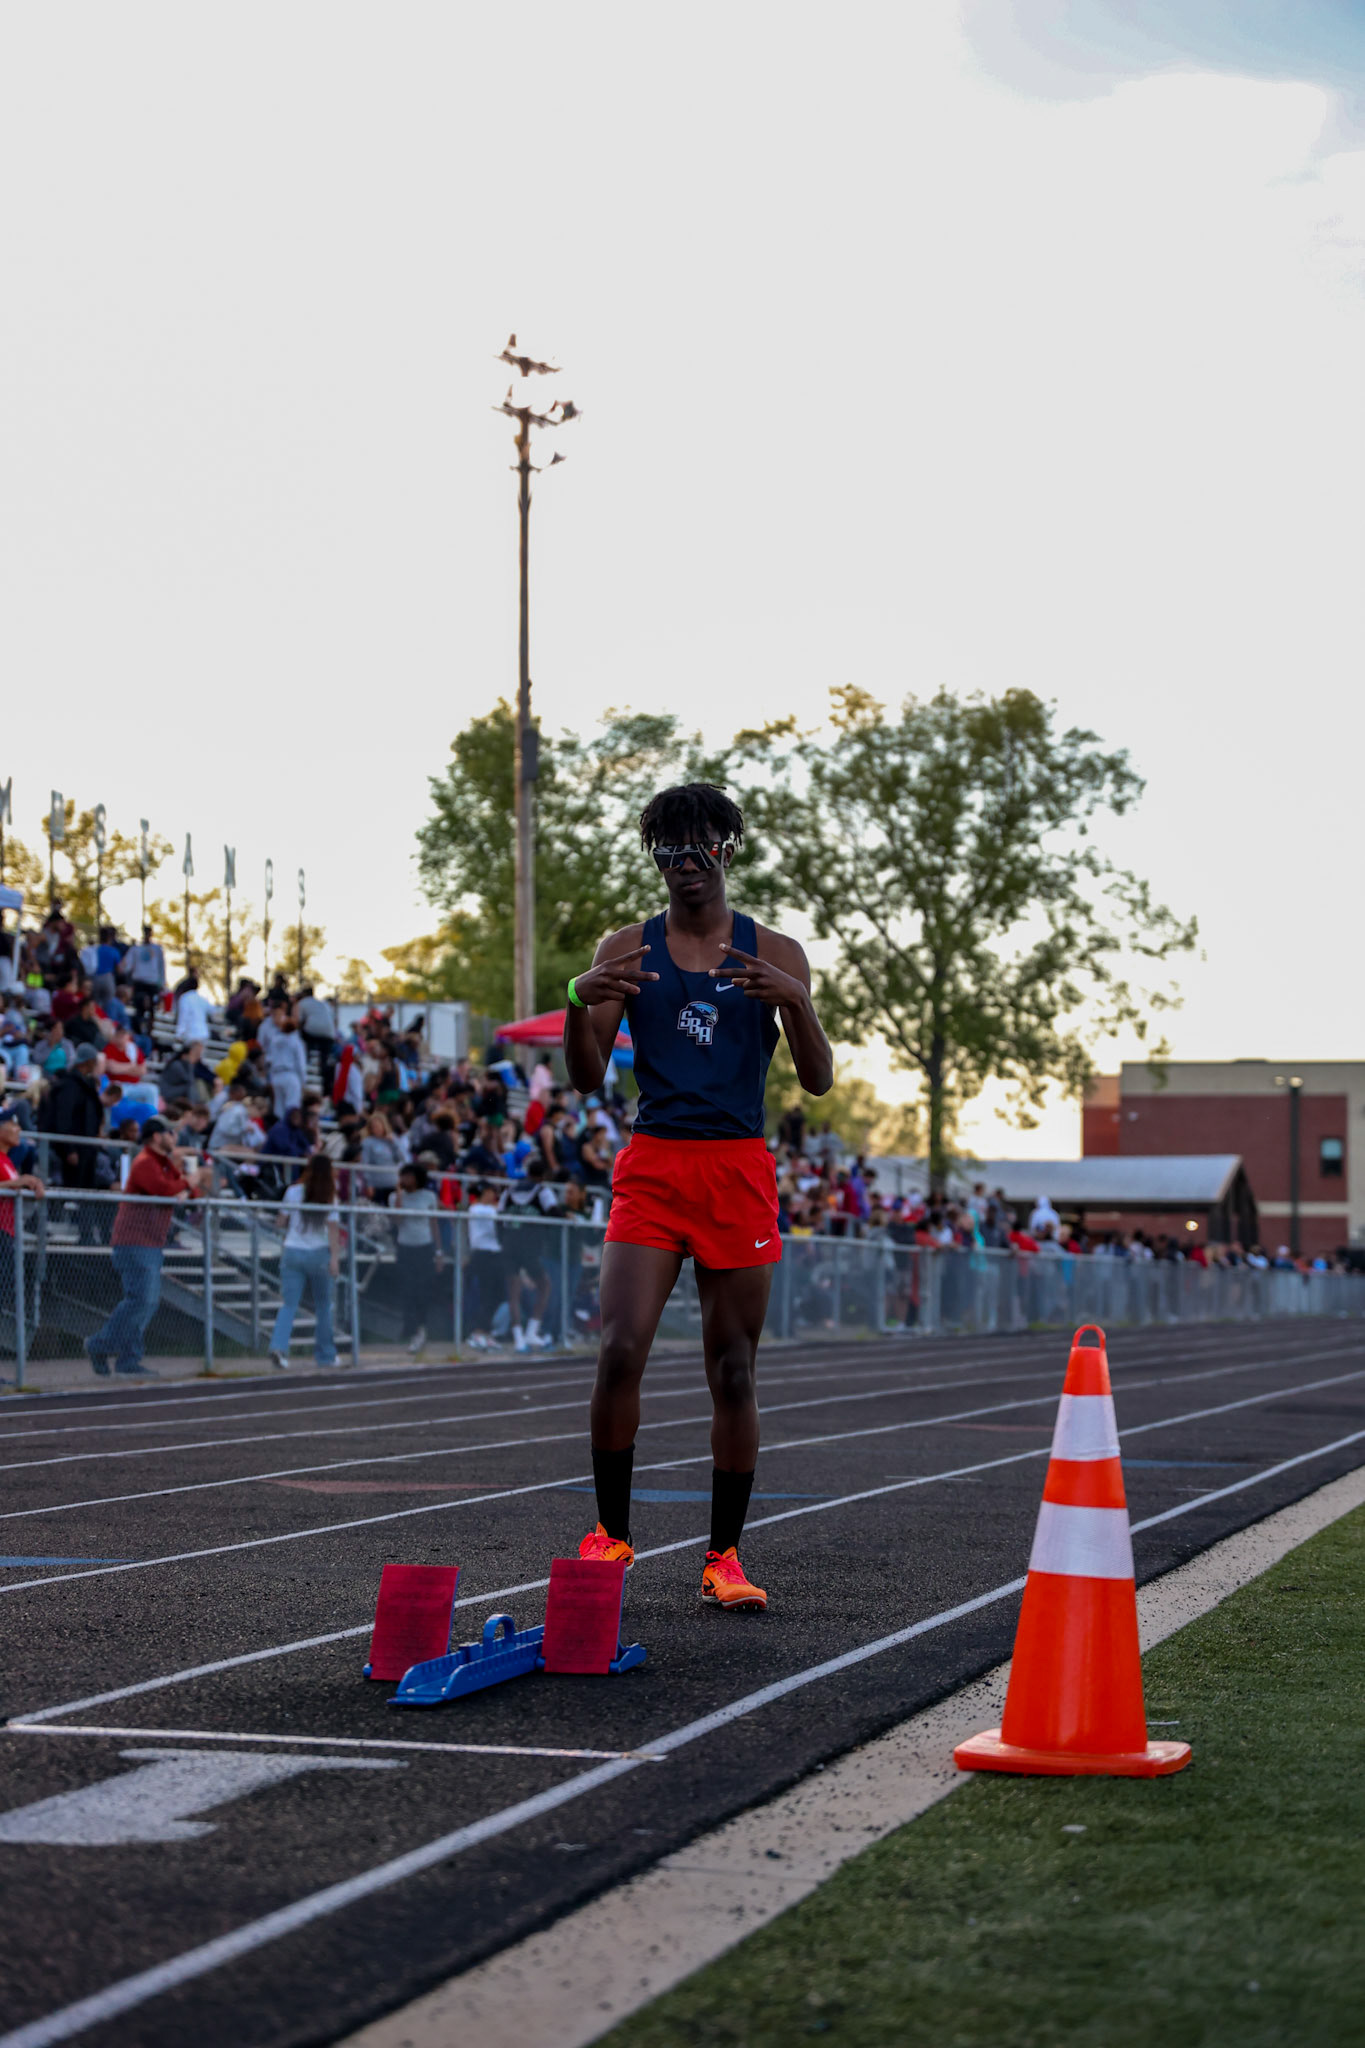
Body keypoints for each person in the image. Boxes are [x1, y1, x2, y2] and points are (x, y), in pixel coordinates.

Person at [563, 781, 833, 1611]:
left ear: (727, 849)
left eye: (699, 848)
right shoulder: (627, 949)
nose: (685, 864)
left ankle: (724, 1557)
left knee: (733, 1369)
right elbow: (585, 1078)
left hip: (736, 1169)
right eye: (669, 851)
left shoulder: (775, 952)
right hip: (653, 1165)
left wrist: (798, 1004)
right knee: (619, 1349)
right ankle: (610, 1536)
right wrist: (577, 1000)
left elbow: (818, 1082)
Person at [84, 1118, 204, 1377]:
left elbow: (190, 1194)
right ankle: (100, 1345)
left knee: (145, 1302)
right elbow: (164, 1190)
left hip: (151, 1241)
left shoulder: (163, 1163)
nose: (175, 1138)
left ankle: (128, 1359)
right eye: (170, 1133)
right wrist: (187, 1183)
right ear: (156, 1136)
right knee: (142, 1300)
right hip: (134, 1241)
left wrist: (186, 1184)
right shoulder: (146, 1161)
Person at [268, 1152, 342, 1370]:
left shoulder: (293, 1191)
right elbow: (333, 1231)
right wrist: (335, 1259)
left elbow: (280, 1222)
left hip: (293, 1250)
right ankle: (326, 1355)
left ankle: (279, 1347)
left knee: (289, 1304)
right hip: (319, 1253)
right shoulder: (330, 1196)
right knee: (323, 1306)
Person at [0, 1100, 45, 1356]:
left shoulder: (6, 1160)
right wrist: (20, 1182)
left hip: (6, 1233)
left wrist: (30, 1181)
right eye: (12, 1124)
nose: (18, 1129)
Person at [392, 1162, 444, 1356]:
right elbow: (397, 1221)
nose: (404, 1180)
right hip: (405, 1247)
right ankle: (410, 1328)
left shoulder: (429, 1196)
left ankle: (422, 1327)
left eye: (408, 1176)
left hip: (424, 1247)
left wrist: (439, 1252)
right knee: (407, 1289)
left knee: (423, 1288)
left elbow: (434, 1224)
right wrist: (399, 1195)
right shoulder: (395, 1197)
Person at [121, 926, 167, 1033]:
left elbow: (161, 967)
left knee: (152, 1010)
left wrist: (162, 983)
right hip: (139, 983)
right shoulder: (136, 949)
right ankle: (138, 1030)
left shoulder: (157, 949)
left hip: (152, 983)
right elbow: (127, 965)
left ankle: (149, 1032)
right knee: (139, 1008)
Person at [266, 1013, 308, 1121]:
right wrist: (303, 1081)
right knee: (292, 1107)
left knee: (278, 1108)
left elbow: (270, 1059)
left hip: (276, 1075)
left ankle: (280, 1127)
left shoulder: (274, 1041)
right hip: (290, 1075)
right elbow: (301, 1063)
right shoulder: (296, 1042)